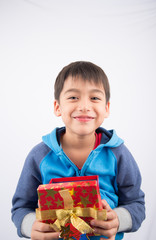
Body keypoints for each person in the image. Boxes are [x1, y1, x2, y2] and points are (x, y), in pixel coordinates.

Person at [11, 61, 145, 240]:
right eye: (73, 97)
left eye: (95, 98)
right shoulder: (39, 156)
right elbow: (20, 208)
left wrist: (118, 220)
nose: (84, 106)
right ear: (58, 107)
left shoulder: (118, 154)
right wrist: (30, 227)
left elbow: (136, 204)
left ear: (106, 109)